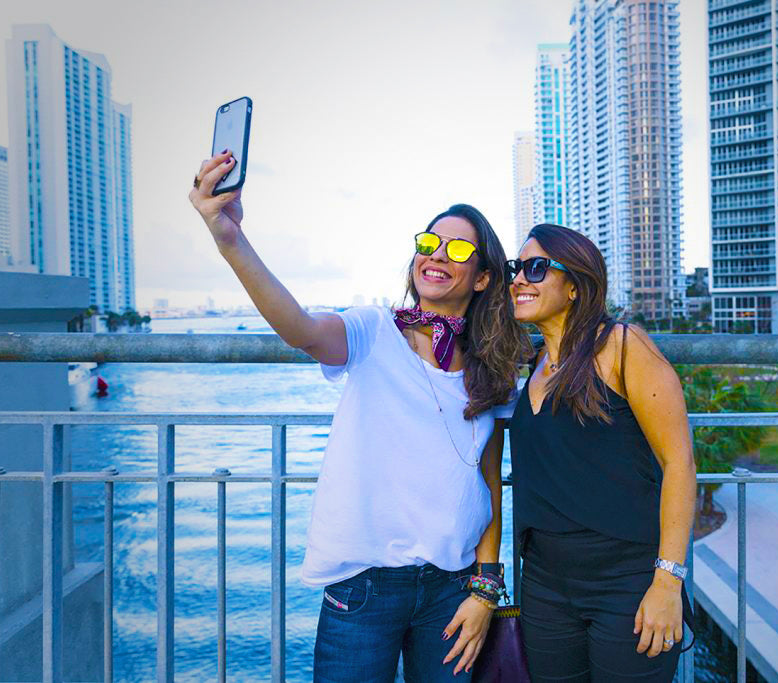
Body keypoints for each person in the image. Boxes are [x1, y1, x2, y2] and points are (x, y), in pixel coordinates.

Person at [189, 151, 531, 682]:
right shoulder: (375, 330)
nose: (436, 255)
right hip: (365, 585)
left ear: (484, 278)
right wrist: (229, 238)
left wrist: (488, 585)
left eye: (458, 248)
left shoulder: (493, 363)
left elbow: (487, 478)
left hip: (455, 587)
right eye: (427, 243)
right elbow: (300, 328)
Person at [506, 223, 697, 682]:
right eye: (516, 269)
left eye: (534, 268)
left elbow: (679, 465)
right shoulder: (533, 364)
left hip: (627, 582)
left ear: (574, 285)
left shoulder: (623, 347)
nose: (518, 280)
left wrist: (668, 581)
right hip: (545, 586)